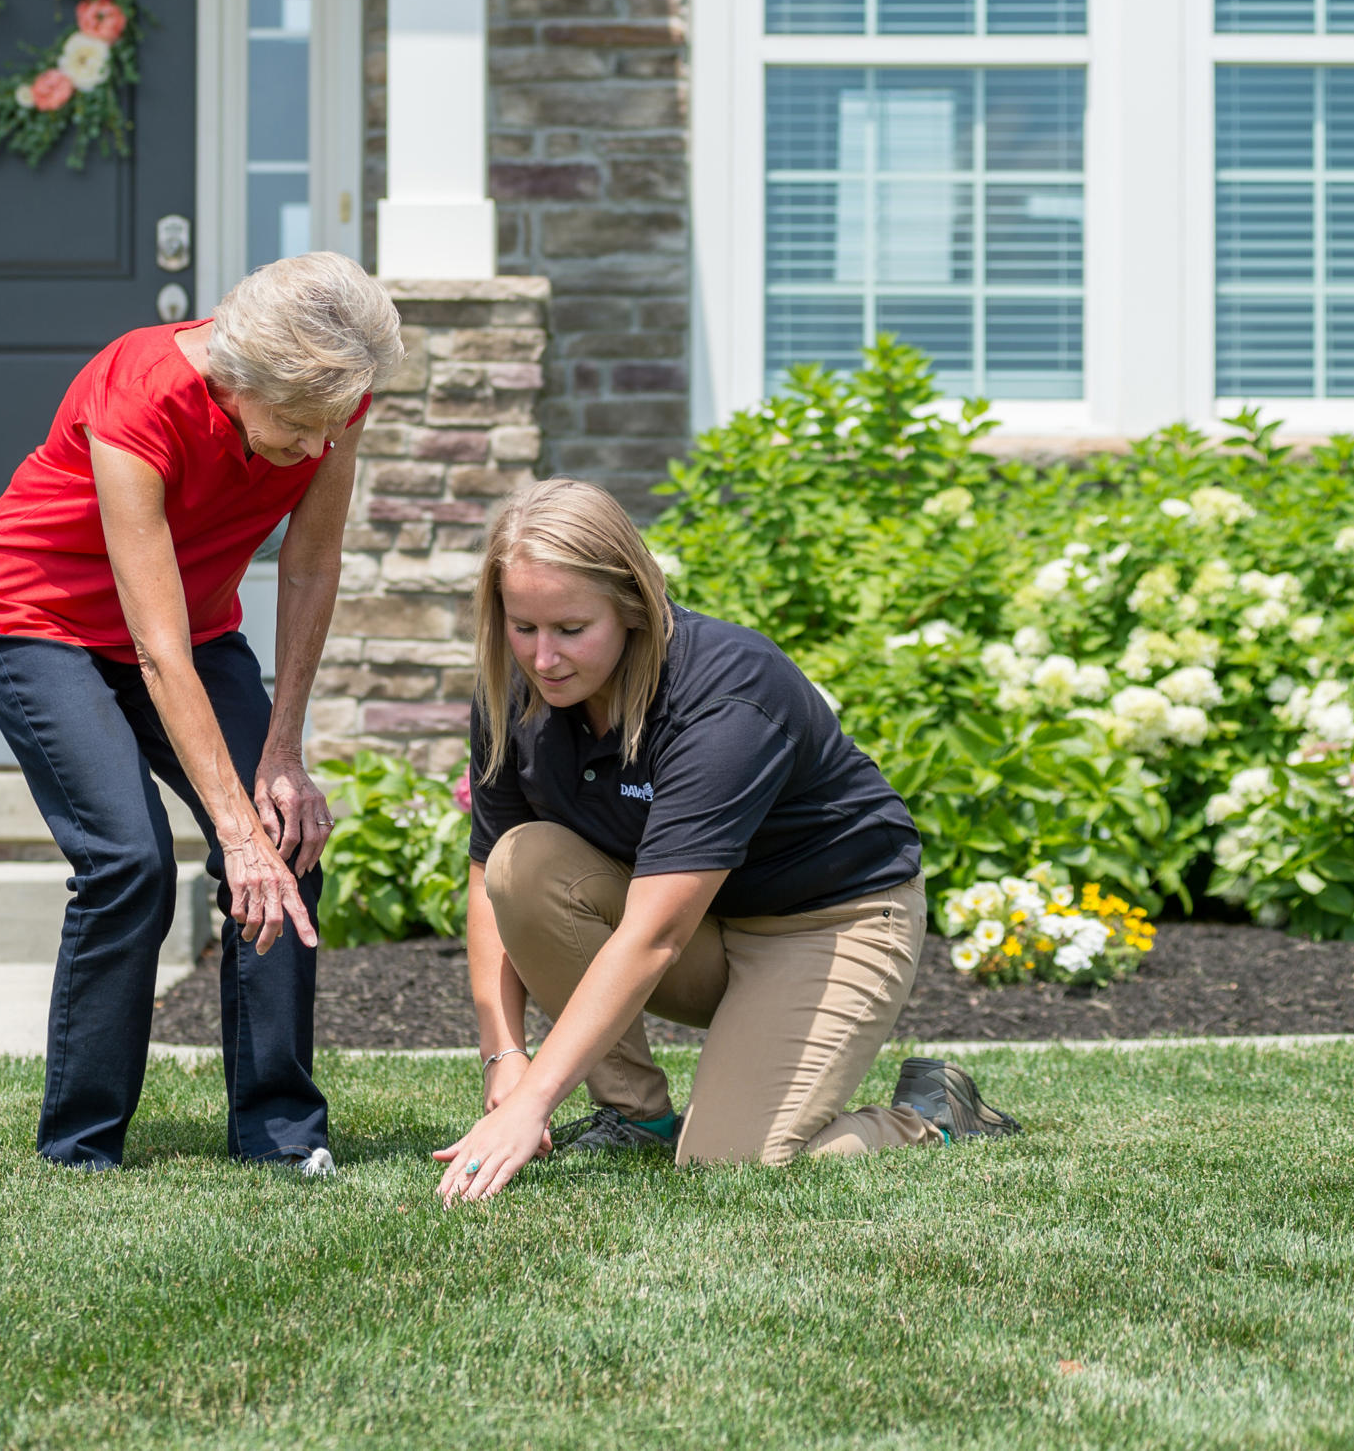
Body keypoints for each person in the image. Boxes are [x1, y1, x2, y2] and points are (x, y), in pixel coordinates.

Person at [433, 479, 1020, 1205]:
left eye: (571, 629)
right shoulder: (513, 687)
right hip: (705, 921)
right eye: (524, 628)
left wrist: (533, 1107)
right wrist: (504, 1056)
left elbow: (653, 937)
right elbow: (491, 866)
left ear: (633, 606)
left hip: (832, 922)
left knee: (729, 1165)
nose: (544, 658)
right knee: (526, 862)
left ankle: (930, 1113)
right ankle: (633, 1116)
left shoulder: (726, 696)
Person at [0, 251, 403, 1174]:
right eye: (293, 428)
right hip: (43, 622)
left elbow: (312, 563)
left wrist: (281, 754)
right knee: (129, 859)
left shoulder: (330, 401)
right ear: (238, 381)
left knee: (285, 834)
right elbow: (155, 651)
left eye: (332, 428)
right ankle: (80, 1145)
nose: (315, 450)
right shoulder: (142, 392)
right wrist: (229, 829)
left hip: (192, 628)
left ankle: (281, 1134)